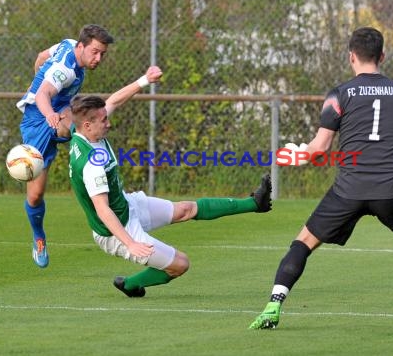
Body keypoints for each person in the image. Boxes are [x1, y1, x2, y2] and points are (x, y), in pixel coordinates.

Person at [249, 27, 393, 331]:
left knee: (303, 242)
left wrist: (297, 154)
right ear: (382, 56)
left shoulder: (340, 94)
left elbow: (320, 149)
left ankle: (272, 307)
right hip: (390, 190)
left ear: (350, 56)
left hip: (349, 190)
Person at [68, 84, 272, 298]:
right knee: (180, 264)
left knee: (186, 209)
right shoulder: (91, 164)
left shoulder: (83, 129)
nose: (109, 123)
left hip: (126, 205)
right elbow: (102, 209)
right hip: (116, 230)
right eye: (104, 121)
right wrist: (130, 243)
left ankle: (255, 203)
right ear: (88, 125)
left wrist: (145, 79)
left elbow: (114, 101)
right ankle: (130, 284)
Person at [16, 24, 114, 268]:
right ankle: (38, 236)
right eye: (95, 52)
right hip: (37, 120)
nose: (98, 58)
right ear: (81, 46)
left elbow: (41, 57)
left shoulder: (68, 44)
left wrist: (38, 77)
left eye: (102, 53)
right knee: (35, 195)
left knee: (81, 121)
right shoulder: (66, 71)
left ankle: (92, 171)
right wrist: (48, 111)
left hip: (61, 109)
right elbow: (41, 95)